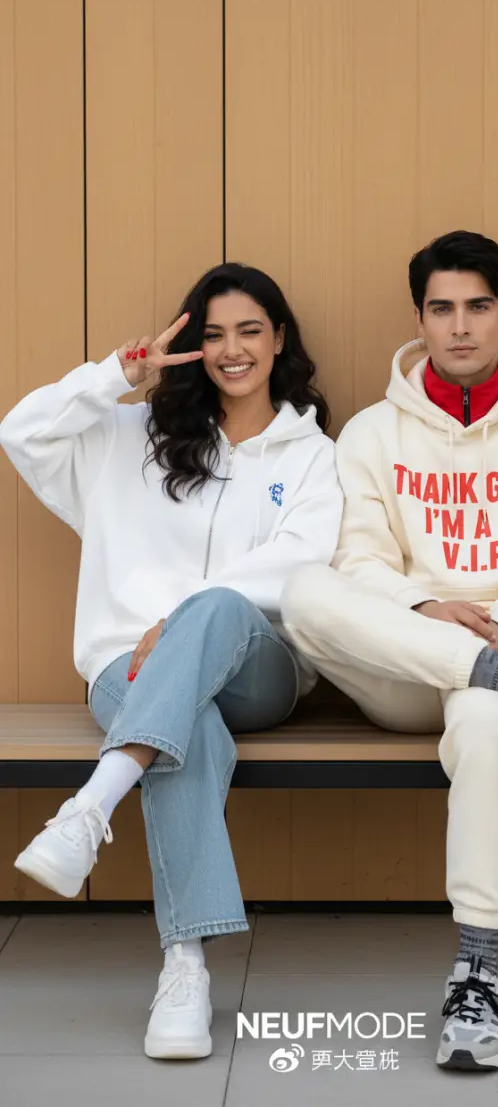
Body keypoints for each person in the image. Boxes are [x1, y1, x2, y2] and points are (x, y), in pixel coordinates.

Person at [281, 230, 498, 1074]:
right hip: (405, 667)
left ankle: (478, 975)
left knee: (483, 714)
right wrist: (427, 609)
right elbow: (358, 562)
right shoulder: (371, 435)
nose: (460, 326)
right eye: (442, 309)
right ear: (419, 319)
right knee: (303, 592)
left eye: (478, 307)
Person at [0, 262, 343, 1060]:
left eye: (249, 331)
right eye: (213, 334)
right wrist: (115, 378)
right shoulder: (130, 438)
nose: (232, 350)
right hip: (128, 668)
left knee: (215, 607)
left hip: (260, 666)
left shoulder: (312, 454)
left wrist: (183, 615)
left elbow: (303, 564)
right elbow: (21, 432)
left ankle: (91, 806)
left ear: (279, 338)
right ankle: (184, 966)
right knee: (189, 732)